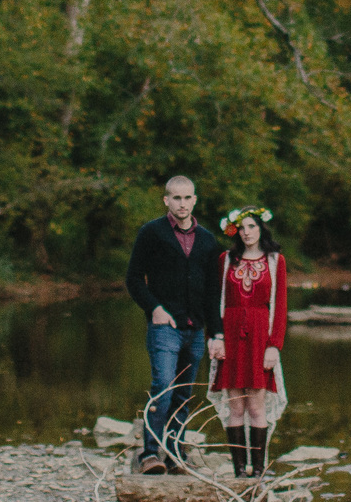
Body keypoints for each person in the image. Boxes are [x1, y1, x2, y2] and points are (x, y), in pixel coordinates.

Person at [123, 175, 224, 474]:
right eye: (176, 198)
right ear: (166, 200)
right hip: (165, 325)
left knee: (183, 392)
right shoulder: (152, 233)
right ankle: (149, 454)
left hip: (195, 329)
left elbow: (213, 292)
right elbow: (132, 279)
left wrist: (216, 332)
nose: (182, 203)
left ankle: (176, 452)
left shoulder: (207, 240)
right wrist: (154, 308)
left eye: (187, 198)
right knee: (163, 386)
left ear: (195, 200)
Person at [207, 205, 288, 478]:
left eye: (252, 226)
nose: (247, 232)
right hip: (230, 335)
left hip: (259, 336)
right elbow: (215, 301)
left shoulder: (275, 261)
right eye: (242, 227)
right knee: (236, 405)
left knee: (256, 404)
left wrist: (274, 345)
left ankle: (259, 470)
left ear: (261, 228)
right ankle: (239, 470)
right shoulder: (227, 260)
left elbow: (280, 306)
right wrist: (216, 338)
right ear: (235, 231)